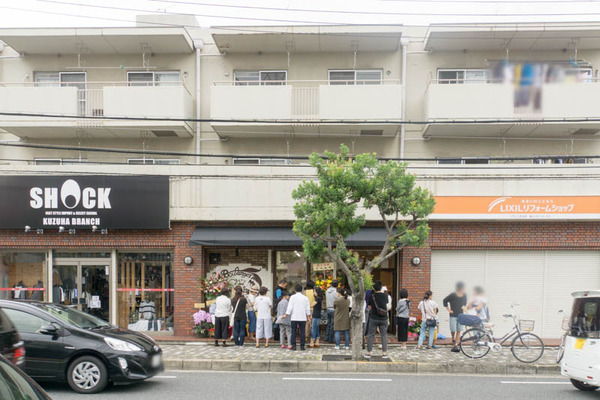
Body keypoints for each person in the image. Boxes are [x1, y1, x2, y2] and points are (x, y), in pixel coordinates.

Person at [366, 281, 389, 359]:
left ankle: (368, 353)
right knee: (384, 335)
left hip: (374, 318)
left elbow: (369, 307)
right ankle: (384, 353)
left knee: (371, 335)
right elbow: (386, 304)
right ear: (381, 287)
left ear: (374, 288)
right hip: (383, 318)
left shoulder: (372, 296)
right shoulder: (385, 296)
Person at [284, 284, 311, 351]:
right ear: (301, 290)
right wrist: (308, 316)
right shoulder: (305, 298)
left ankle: (293, 346)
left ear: (295, 290)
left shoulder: (292, 297)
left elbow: (290, 307)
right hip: (302, 317)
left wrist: (286, 314)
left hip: (294, 317)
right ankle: (302, 346)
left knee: (293, 332)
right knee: (302, 332)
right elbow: (307, 308)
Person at [443, 281, 467, 352]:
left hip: (461, 315)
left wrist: (465, 309)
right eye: (463, 287)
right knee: (453, 329)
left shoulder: (465, 295)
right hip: (453, 315)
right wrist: (448, 309)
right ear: (460, 287)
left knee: (459, 330)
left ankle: (456, 344)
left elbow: (464, 304)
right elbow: (445, 300)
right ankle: (453, 337)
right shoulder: (453, 295)